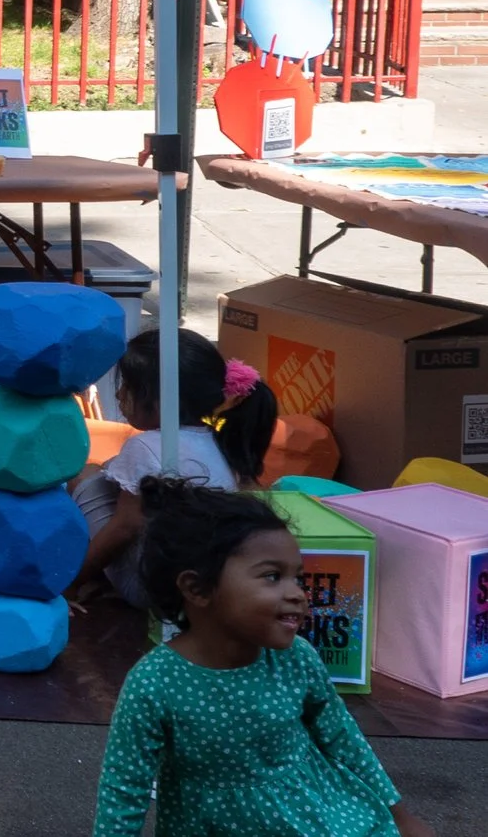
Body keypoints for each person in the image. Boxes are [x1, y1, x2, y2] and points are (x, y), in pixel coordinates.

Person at [92, 480, 434, 837]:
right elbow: (124, 789)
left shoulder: (295, 658)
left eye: (297, 578)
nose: (298, 594)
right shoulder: (154, 684)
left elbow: (342, 736)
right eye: (272, 576)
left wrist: (399, 816)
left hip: (315, 820)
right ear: (197, 589)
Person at [73, 329, 278, 611]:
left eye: (128, 387)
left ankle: (87, 575)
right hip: (205, 586)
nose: (119, 395)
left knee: (86, 477)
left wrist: (69, 585)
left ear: (162, 399)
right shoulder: (219, 440)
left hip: (153, 592)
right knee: (107, 474)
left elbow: (125, 528)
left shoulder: (145, 446)